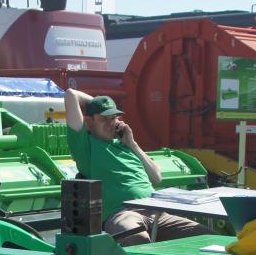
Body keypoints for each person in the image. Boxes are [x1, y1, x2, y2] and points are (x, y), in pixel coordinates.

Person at [63, 88, 210, 245]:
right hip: (123, 214)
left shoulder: (126, 145)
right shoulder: (86, 147)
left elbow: (156, 178)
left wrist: (133, 144)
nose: (110, 123)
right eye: (103, 118)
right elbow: (71, 95)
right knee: (137, 238)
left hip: (156, 212)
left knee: (207, 237)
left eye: (113, 118)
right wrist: (97, 103)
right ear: (89, 121)